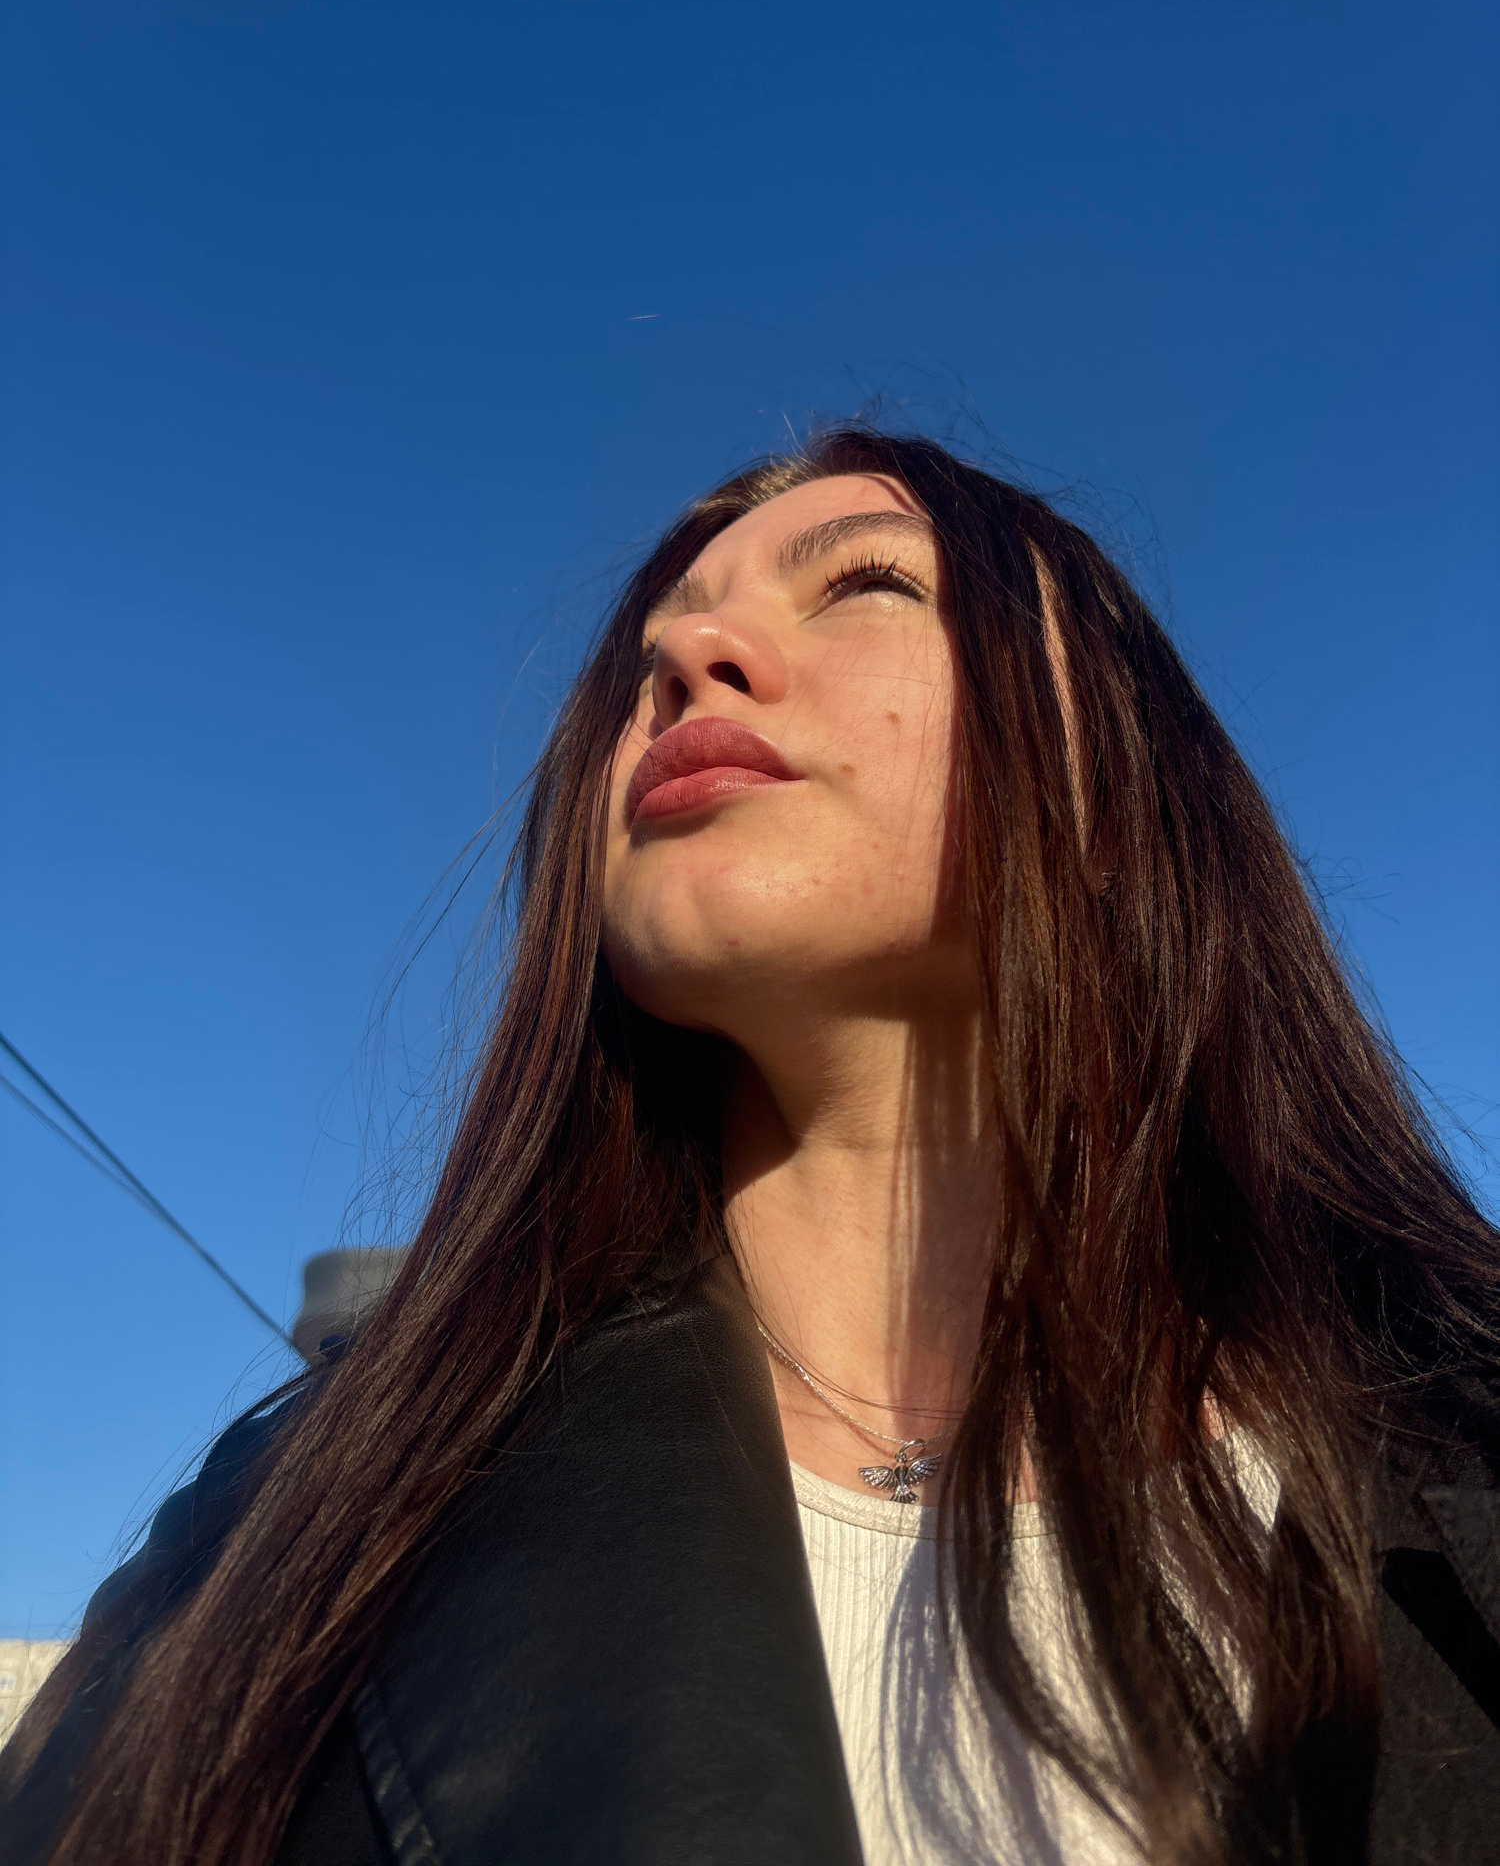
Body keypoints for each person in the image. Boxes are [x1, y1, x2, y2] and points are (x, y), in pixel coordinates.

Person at [4, 427, 1498, 1866]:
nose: (686, 657)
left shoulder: (1461, 1428)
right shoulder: (284, 1537)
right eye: (654, 645)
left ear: (1115, 771)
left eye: (867, 583)